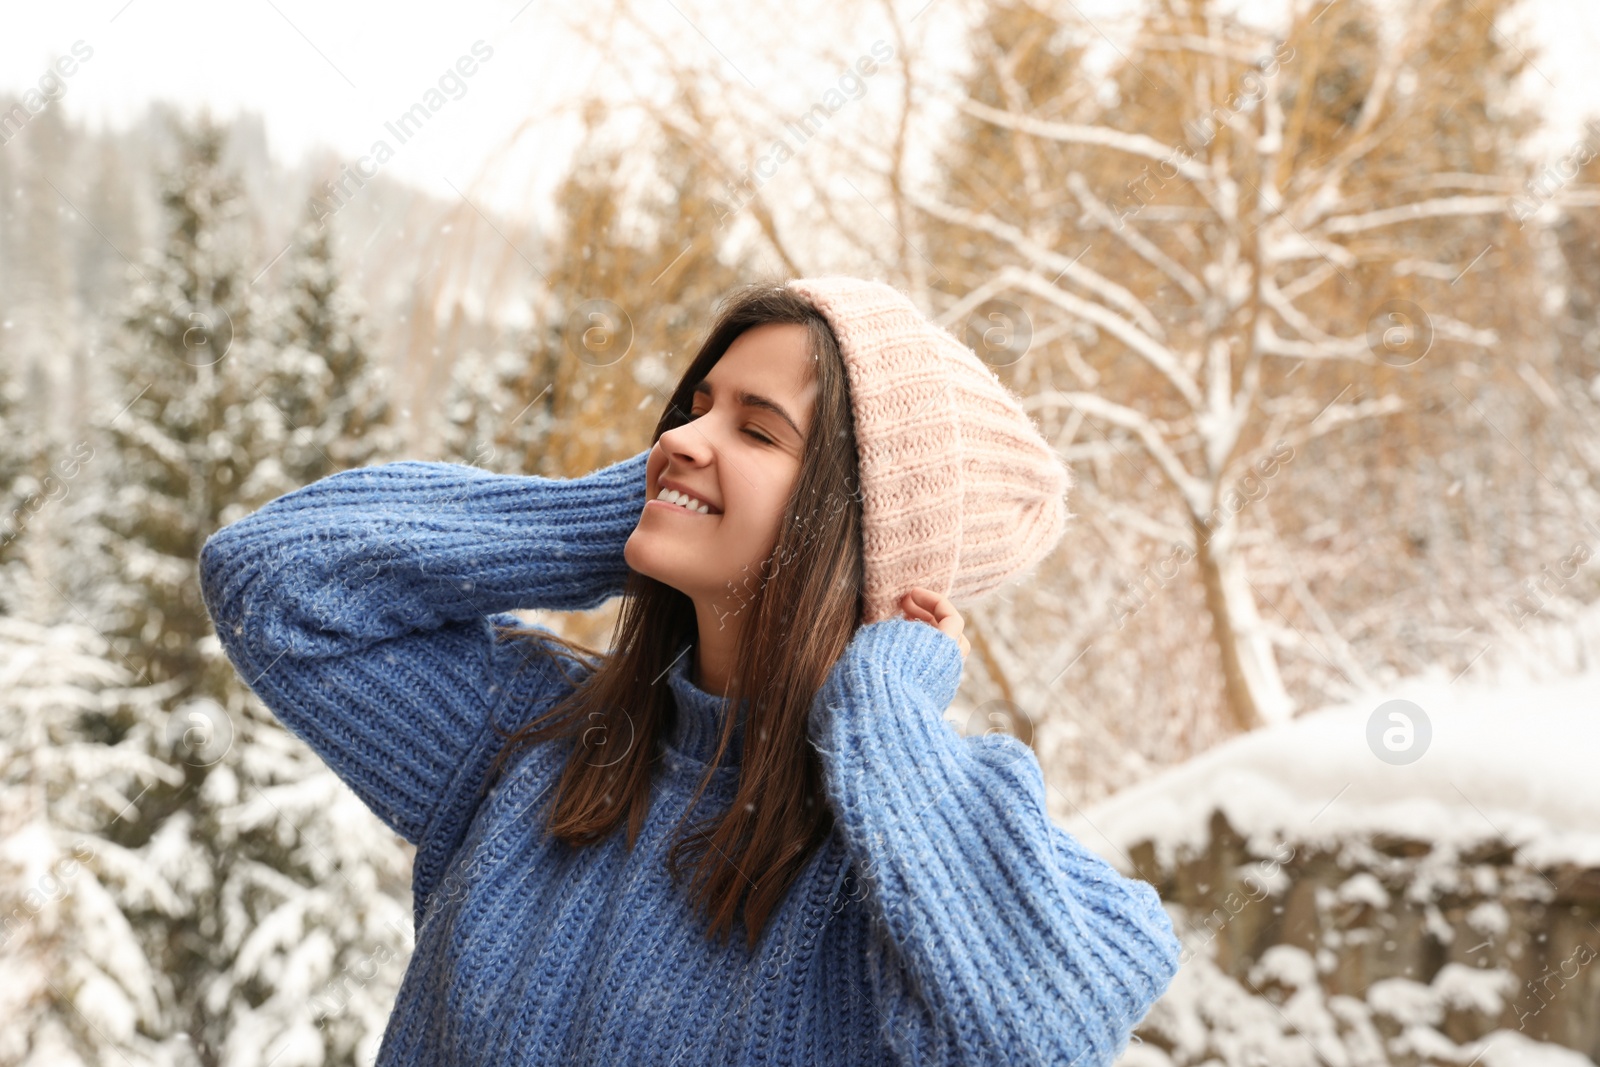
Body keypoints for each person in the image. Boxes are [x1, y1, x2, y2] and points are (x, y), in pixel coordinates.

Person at [198, 276, 1181, 1066]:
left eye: (756, 428)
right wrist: (634, 513)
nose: (677, 437)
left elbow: (1044, 1027)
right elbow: (276, 580)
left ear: (855, 527)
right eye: (693, 407)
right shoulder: (537, 740)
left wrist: (880, 708)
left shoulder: (911, 869)